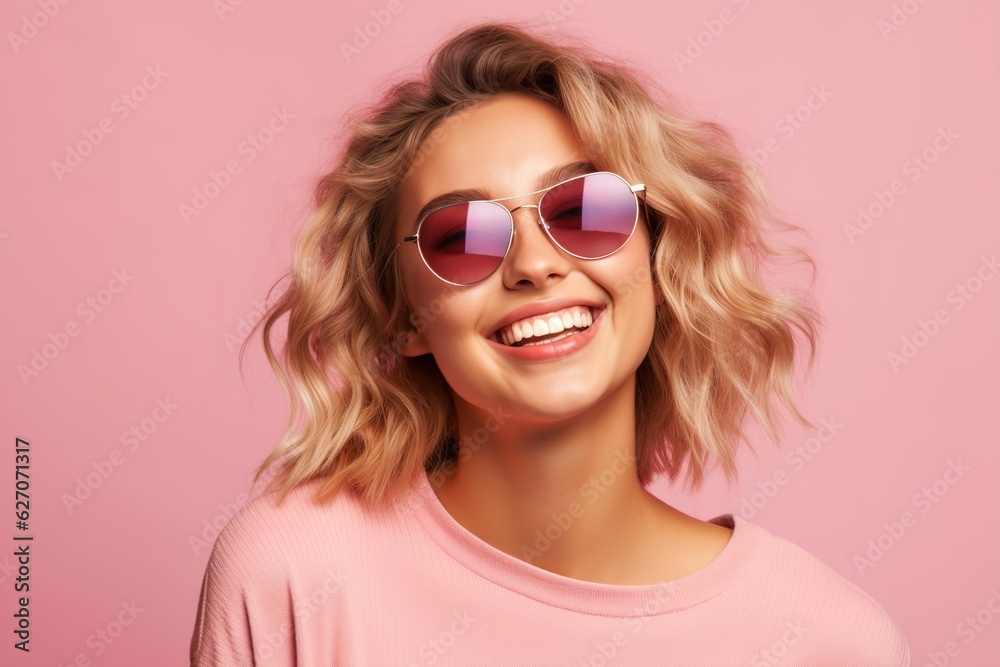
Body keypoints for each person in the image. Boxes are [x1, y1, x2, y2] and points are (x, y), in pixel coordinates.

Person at [190, 20, 910, 666]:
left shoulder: (825, 640)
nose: (534, 263)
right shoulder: (293, 575)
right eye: (462, 237)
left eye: (585, 210)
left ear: (658, 260)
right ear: (404, 317)